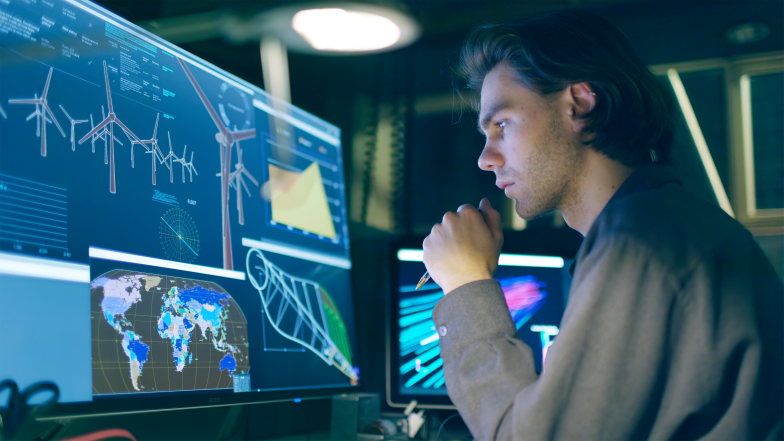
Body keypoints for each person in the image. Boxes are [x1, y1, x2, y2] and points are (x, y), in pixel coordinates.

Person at [422, 9, 783, 440]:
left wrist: (465, 285)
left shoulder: (638, 244)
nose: (485, 158)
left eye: (502, 124)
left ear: (579, 105)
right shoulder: (667, 222)